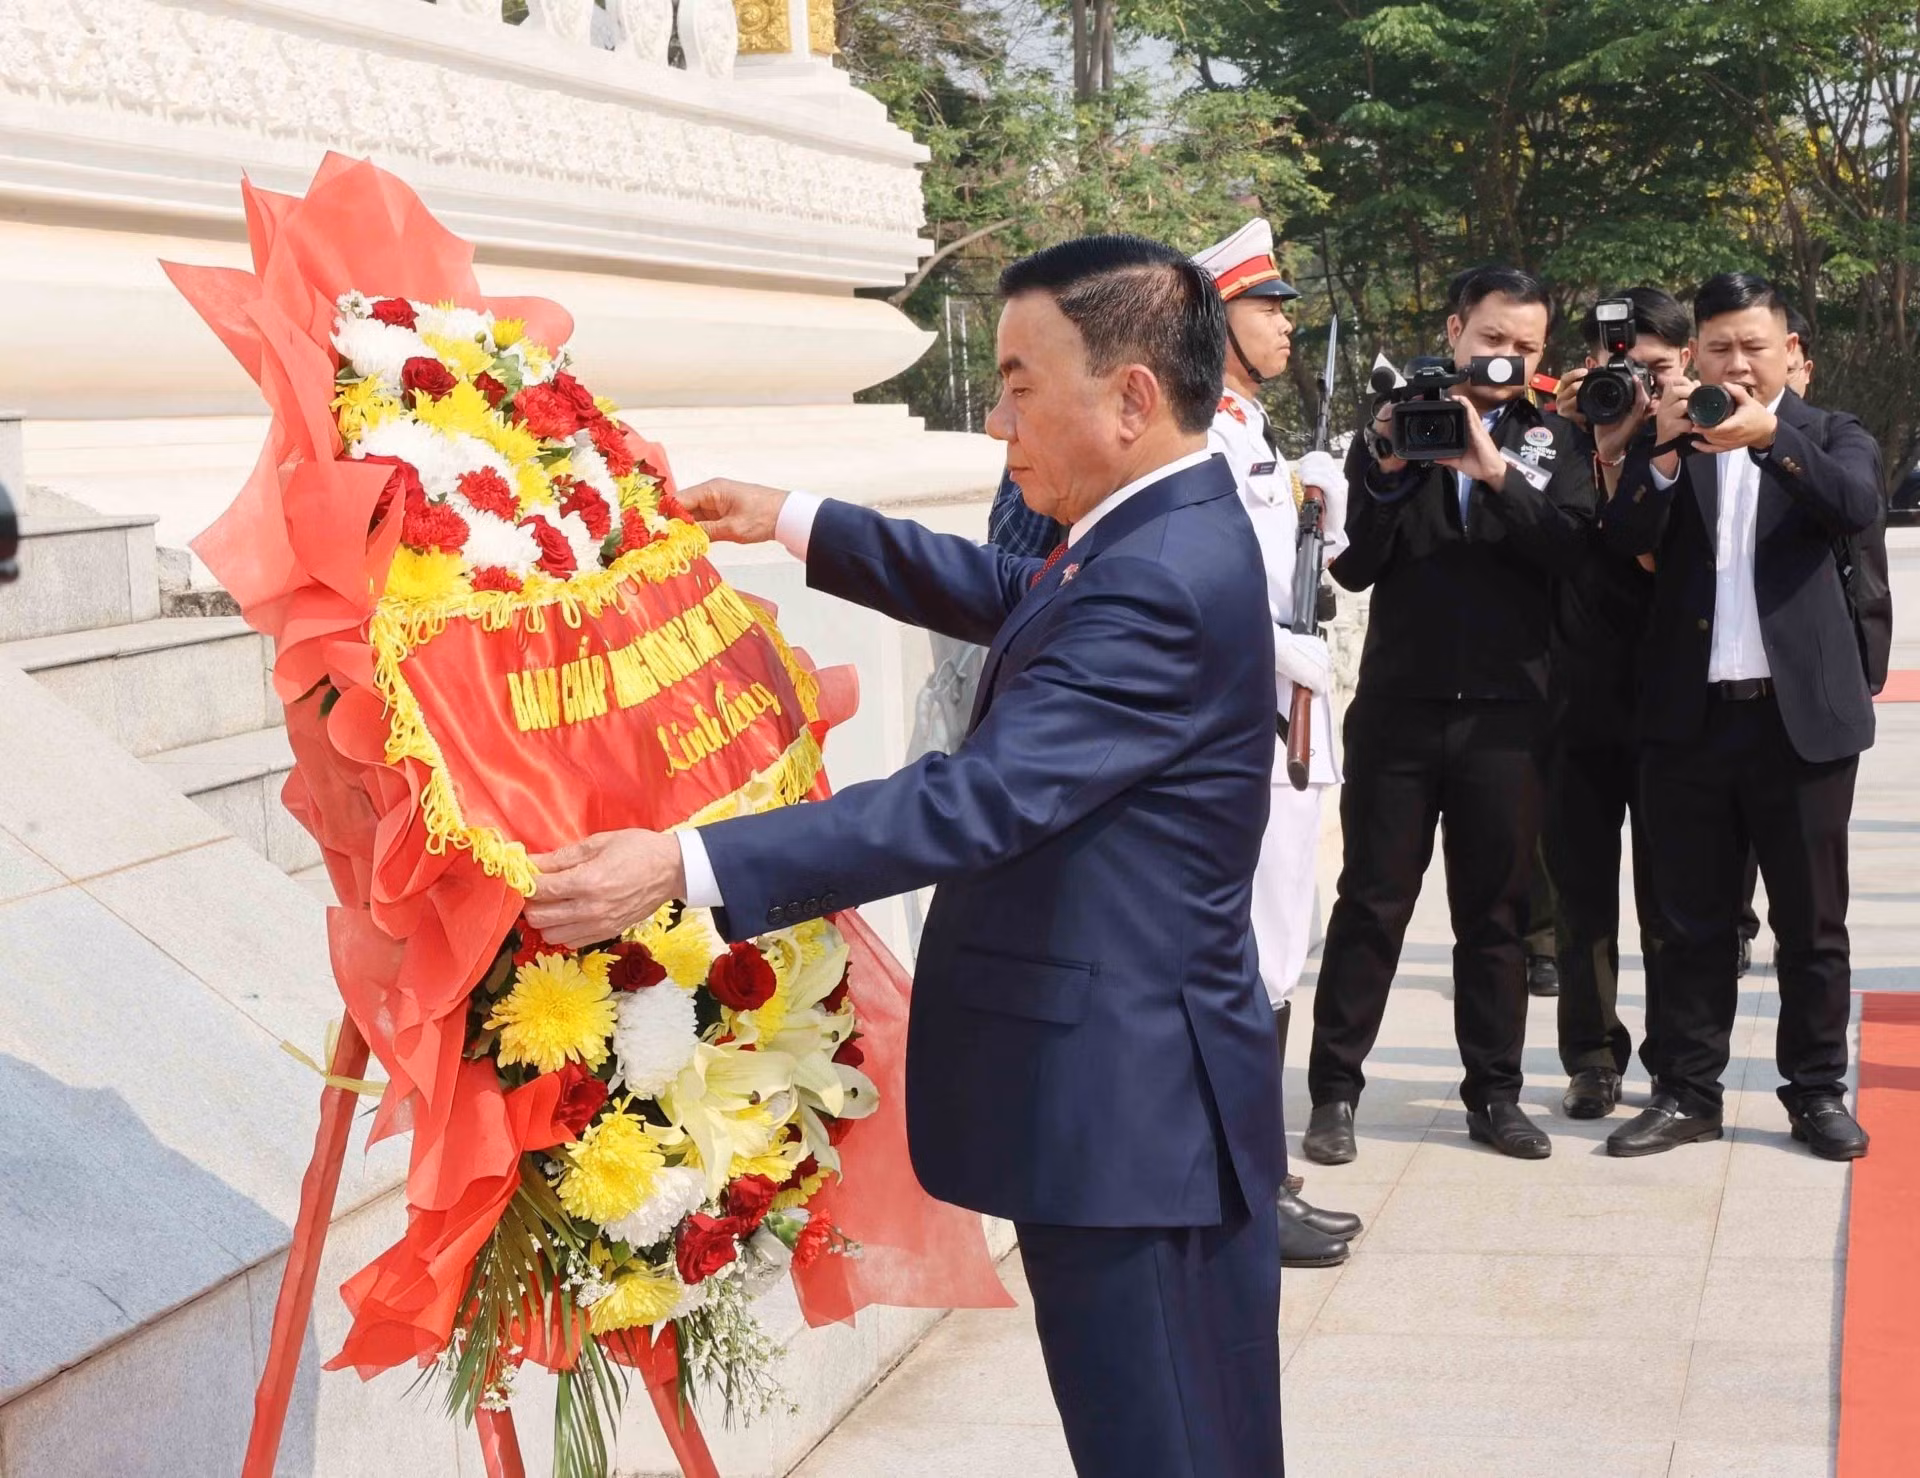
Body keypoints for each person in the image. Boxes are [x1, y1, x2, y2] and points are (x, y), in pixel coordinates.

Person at [524, 235, 1287, 1477]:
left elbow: (971, 800)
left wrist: (682, 862)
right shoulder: (1152, 531)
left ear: (1133, 396)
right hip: (1131, 1107)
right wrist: (799, 521)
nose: (997, 420)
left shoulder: (1159, 574)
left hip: (1133, 1125)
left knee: (1172, 1447)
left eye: (1019, 383)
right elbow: (1020, 595)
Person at [1304, 264, 1596, 1164]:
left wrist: (1496, 470)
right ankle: (1335, 1096)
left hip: (1509, 719)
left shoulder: (1555, 442)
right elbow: (1352, 569)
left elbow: (1571, 553)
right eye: (1492, 340)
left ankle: (1495, 1096)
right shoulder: (1392, 429)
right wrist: (1391, 470)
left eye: (1526, 348)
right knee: (1372, 903)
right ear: (1456, 327)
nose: (1505, 361)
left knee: (1496, 914)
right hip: (1399, 709)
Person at [1600, 272, 1884, 1160]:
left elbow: (1857, 508)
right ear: (1693, 355)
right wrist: (1661, 449)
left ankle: (1815, 1091)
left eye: (1754, 346)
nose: (1737, 363)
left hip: (1799, 724)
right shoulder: (1675, 440)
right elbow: (1620, 542)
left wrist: (1772, 439)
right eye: (1718, 346)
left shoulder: (1831, 435)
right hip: (1690, 718)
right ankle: (1687, 1090)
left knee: (1812, 924)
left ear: (1792, 354)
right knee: (1686, 923)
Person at [1193, 217, 1359, 1269]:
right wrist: (1268, 648)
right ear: (1217, 321)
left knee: (1283, 947)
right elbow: (1200, 587)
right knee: (1253, 957)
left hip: (1290, 729)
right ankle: (1245, 1188)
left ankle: (1265, 1173)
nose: (1288, 324)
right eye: (1269, 307)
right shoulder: (1205, 433)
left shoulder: (1249, 429)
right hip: (1246, 725)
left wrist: (1323, 518)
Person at [1545, 286, 1692, 1118]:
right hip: (1574, 698)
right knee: (1582, 899)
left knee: (1672, 899)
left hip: (1674, 701)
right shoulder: (1561, 436)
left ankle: (1676, 1059)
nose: (1632, 384)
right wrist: (1592, 440)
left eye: (1655, 370)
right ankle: (1592, 1059)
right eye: (1616, 369)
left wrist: (1653, 441)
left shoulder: (1703, 439)